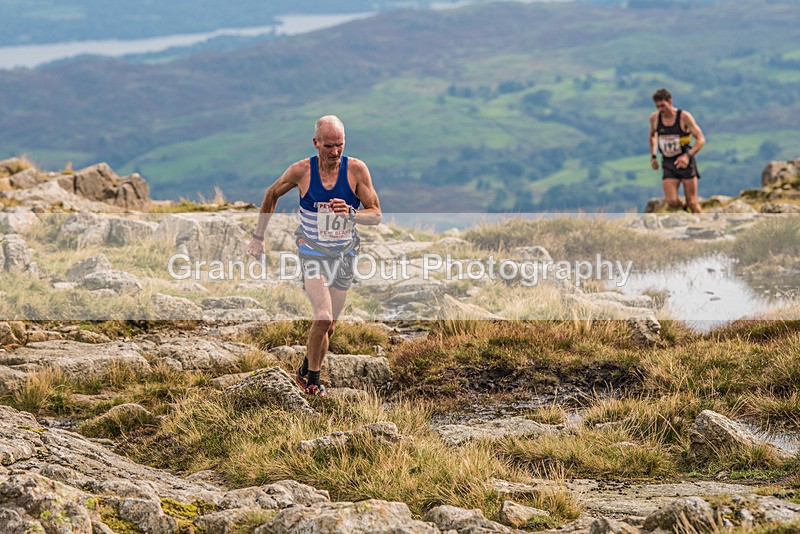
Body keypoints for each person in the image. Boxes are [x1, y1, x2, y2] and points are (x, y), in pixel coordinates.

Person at [247, 115, 382, 397]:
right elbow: (272, 194)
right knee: (322, 317)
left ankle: (304, 369)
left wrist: (352, 213)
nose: (335, 152)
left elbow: (376, 215)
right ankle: (313, 381)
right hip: (312, 252)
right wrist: (258, 238)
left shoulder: (356, 170)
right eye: (329, 146)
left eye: (340, 145)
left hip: (344, 254)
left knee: (329, 327)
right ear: (316, 143)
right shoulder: (301, 171)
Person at [649, 88, 706, 213]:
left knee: (692, 202)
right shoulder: (655, 118)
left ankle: (704, 221)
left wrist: (687, 156)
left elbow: (701, 139)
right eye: (657, 107)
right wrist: (653, 156)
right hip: (668, 162)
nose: (660, 109)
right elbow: (652, 136)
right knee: (671, 202)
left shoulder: (684, 117)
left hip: (685, 162)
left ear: (670, 102)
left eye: (663, 106)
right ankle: (685, 209)